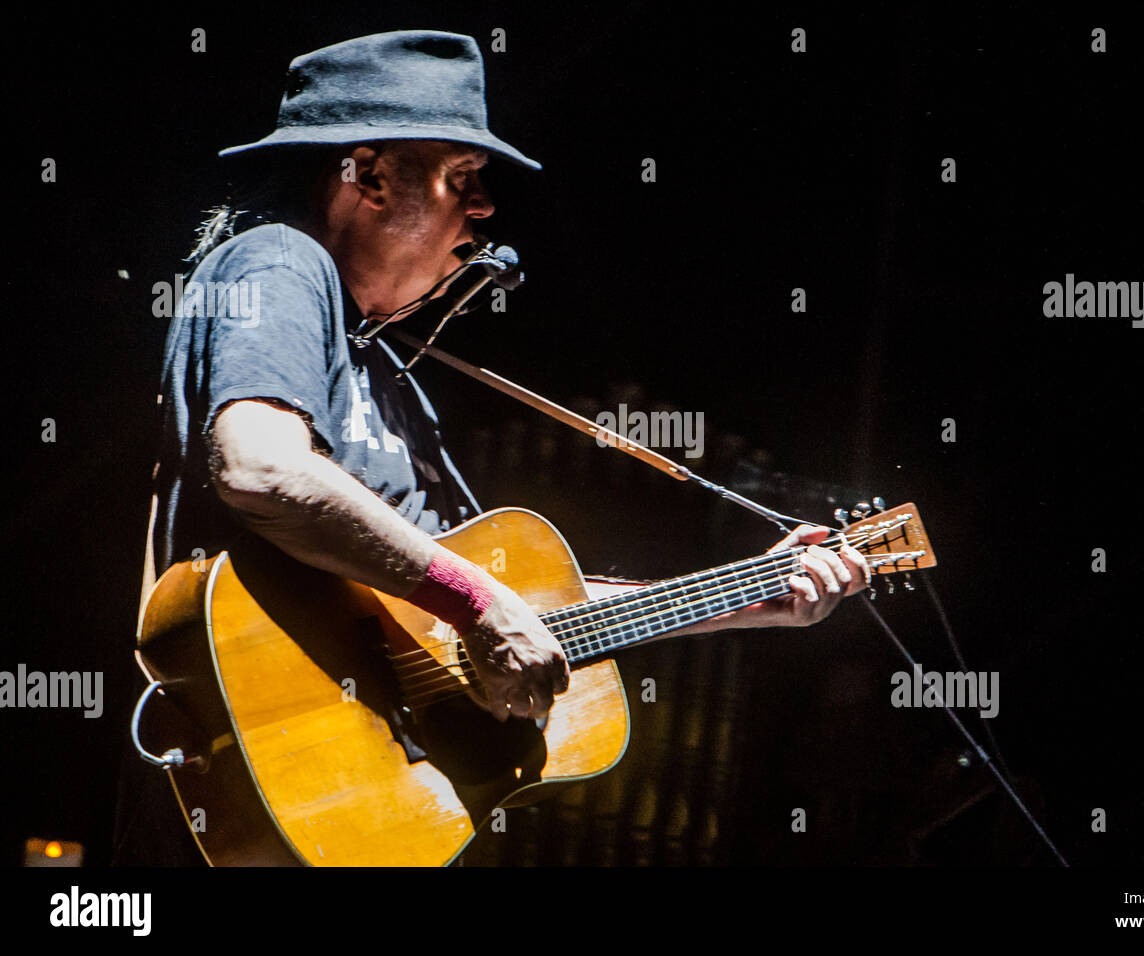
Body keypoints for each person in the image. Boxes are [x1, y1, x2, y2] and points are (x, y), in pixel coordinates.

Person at [115, 30, 871, 865]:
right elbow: (261, 465)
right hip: (257, 772)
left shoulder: (386, 373)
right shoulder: (279, 261)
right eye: (461, 177)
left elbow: (507, 611)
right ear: (367, 174)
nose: (483, 209)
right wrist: (477, 603)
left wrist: (750, 596)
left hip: (350, 810)